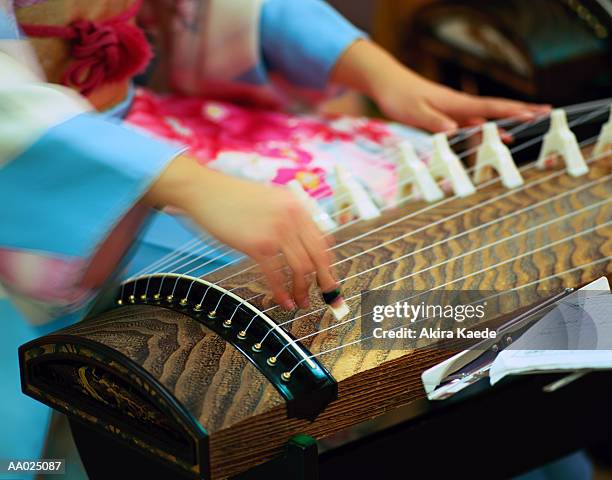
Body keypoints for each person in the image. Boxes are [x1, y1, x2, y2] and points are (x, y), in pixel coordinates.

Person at [0, 0, 551, 475]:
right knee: (303, 297)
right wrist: (188, 183)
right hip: (48, 176)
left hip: (158, 136)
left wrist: (385, 76)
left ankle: (548, 406)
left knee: (421, 203)